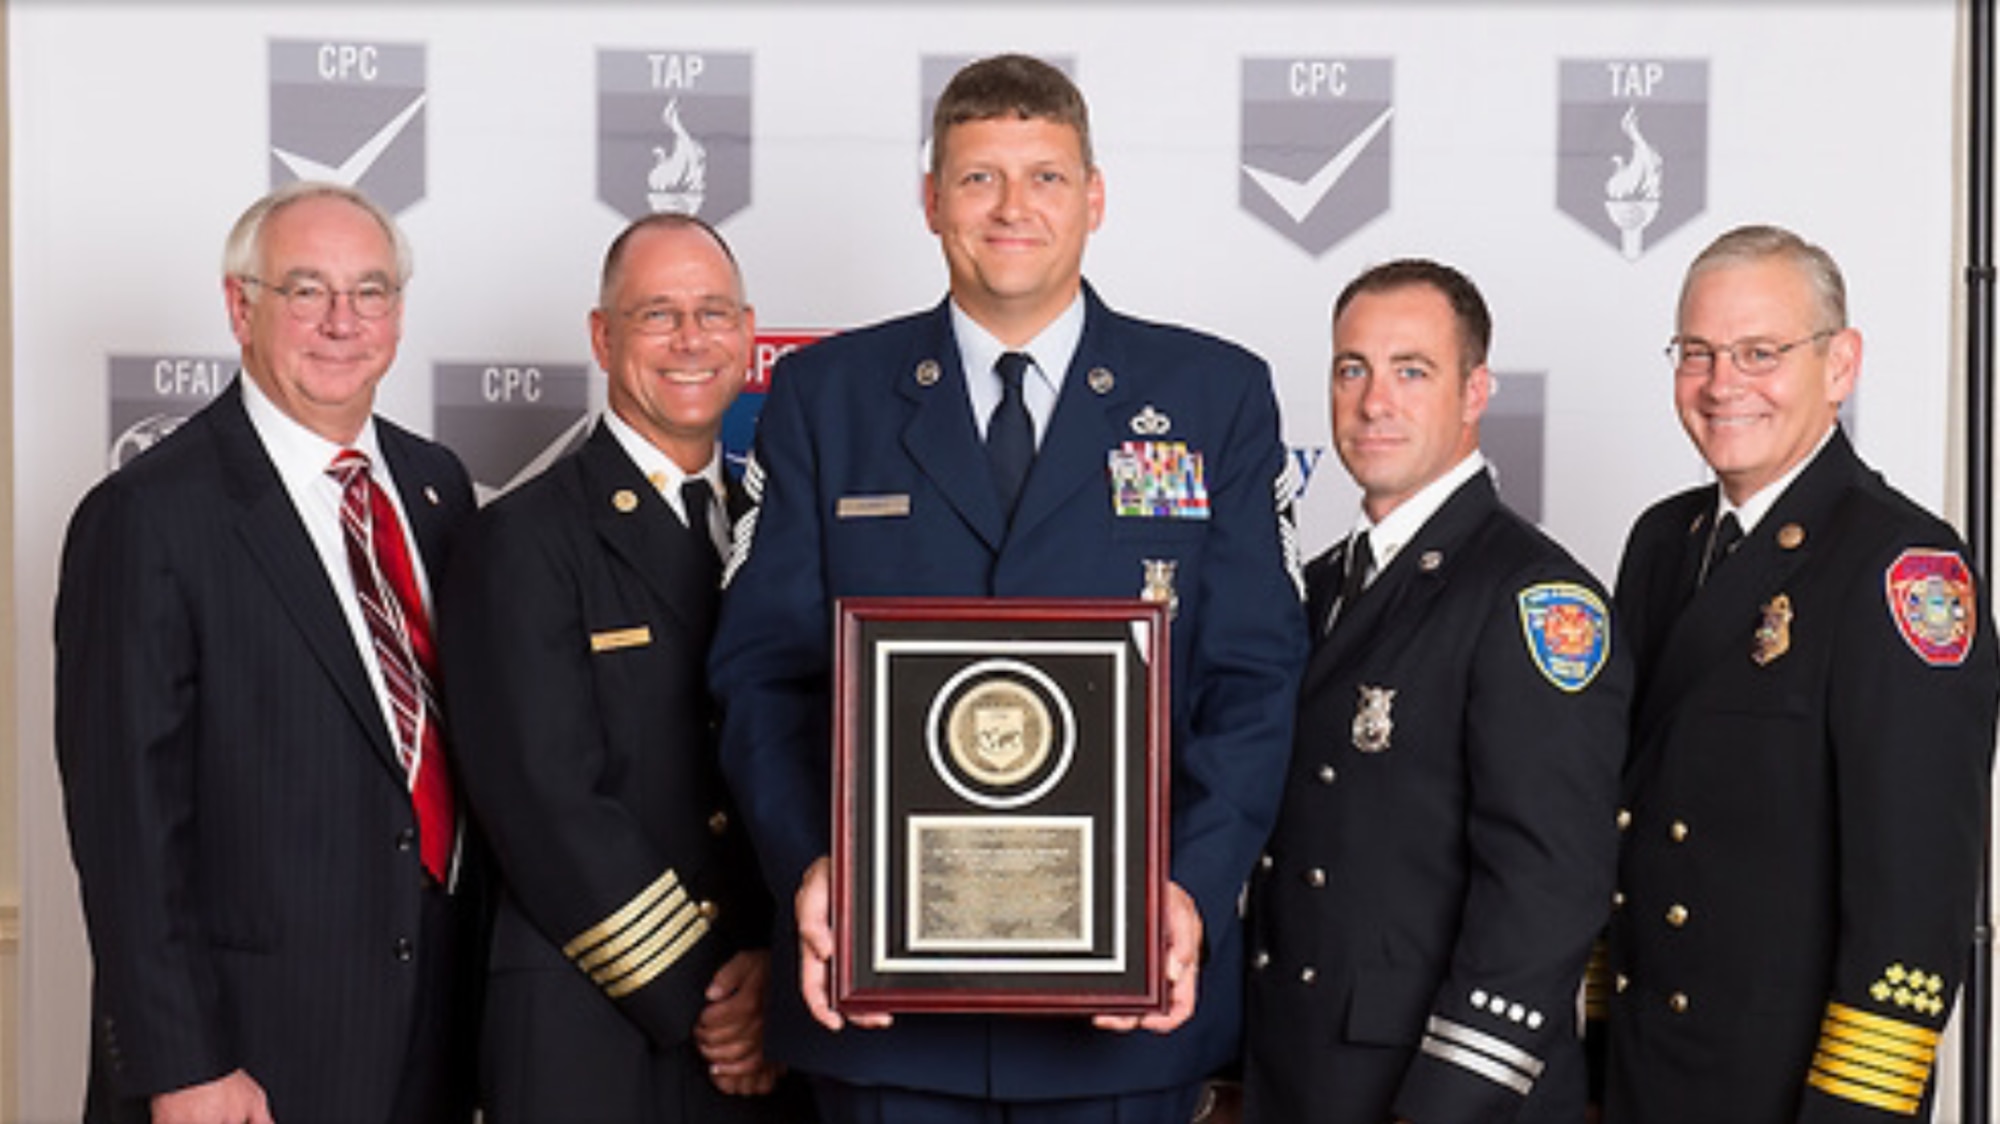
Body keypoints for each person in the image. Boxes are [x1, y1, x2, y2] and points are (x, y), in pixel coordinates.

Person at [707, 52, 1307, 1123]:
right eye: (979, 177)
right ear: (932, 201)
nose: (1012, 207)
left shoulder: (1212, 395)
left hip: (1121, 1021)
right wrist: (810, 865)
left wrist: (1190, 893)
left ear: (1094, 197)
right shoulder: (822, 397)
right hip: (883, 1015)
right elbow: (765, 676)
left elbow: (1252, 677)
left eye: (1044, 176)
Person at [54, 181, 480, 1123]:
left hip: (433, 1030)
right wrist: (182, 1062)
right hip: (247, 1056)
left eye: (370, 291)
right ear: (241, 307)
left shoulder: (436, 486)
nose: (343, 320)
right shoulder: (148, 517)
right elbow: (126, 824)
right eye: (306, 290)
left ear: (398, 315)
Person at [1603, 224, 2000, 1121]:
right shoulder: (1663, 544)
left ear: (1841, 364)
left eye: (1759, 352)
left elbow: (1916, 891)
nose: (1721, 384)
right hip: (1644, 1070)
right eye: (1697, 352)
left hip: (1785, 1092)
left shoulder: (1901, 565)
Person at [438, 212, 810, 1122]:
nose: (692, 340)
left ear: (750, 334)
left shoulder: (788, 532)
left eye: (715, 314)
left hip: (773, 1033)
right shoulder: (521, 539)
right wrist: (712, 997)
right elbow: (543, 801)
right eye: (658, 315)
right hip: (598, 1022)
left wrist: (781, 976)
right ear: (603, 337)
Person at [1238, 259, 1629, 1123]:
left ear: (1474, 391)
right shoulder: (1312, 587)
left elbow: (1550, 881)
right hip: (1296, 1066)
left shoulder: (1531, 598)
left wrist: (1452, 1099)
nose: (1375, 401)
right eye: (1353, 369)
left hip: (1437, 1087)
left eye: (1411, 371)